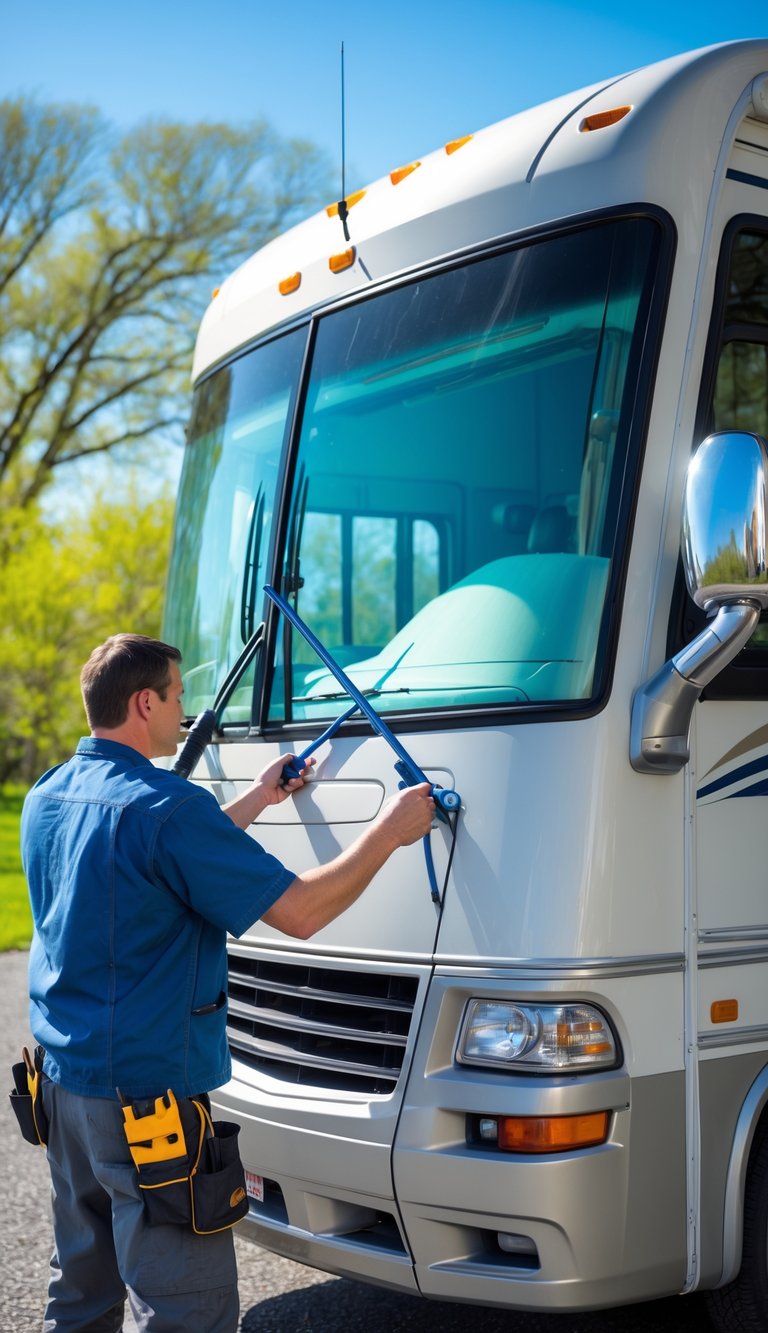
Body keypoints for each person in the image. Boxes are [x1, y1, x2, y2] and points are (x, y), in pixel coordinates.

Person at [21, 633, 435, 1333]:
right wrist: (390, 832)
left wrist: (256, 799)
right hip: (146, 1108)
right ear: (144, 701)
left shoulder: (49, 794)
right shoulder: (167, 808)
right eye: (179, 695)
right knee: (186, 1309)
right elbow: (300, 911)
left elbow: (149, 859)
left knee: (83, 1292)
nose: (186, 711)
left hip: (62, 1091)